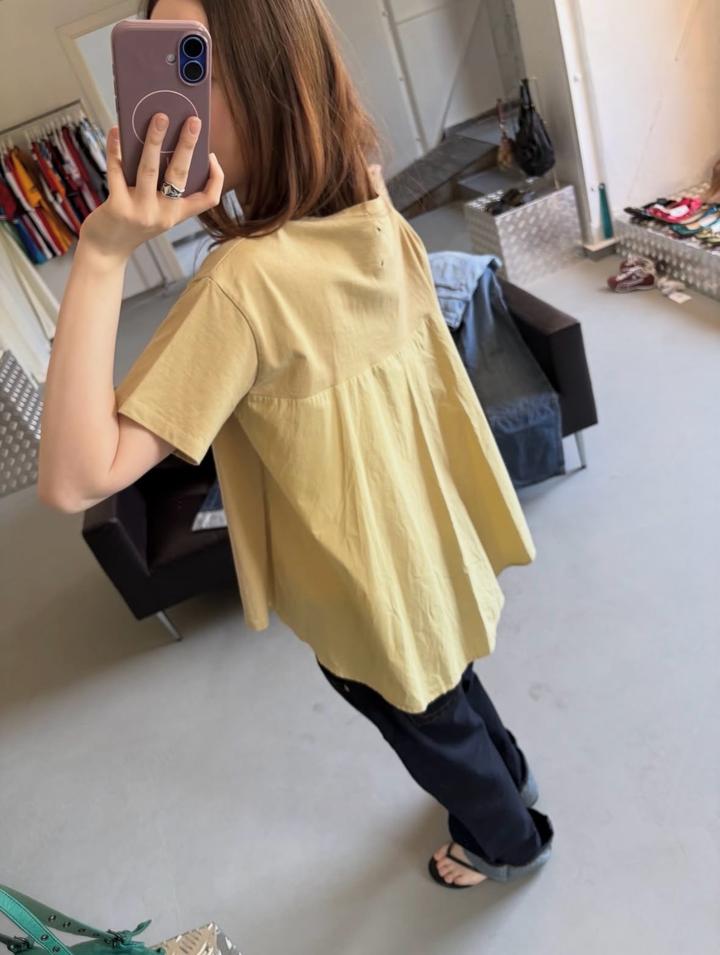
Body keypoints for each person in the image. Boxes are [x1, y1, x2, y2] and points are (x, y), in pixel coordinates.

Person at [38, 0, 554, 888]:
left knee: (422, 719)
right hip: (428, 539)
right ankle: (511, 774)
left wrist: (101, 253)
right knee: (448, 681)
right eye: (163, 61)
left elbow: (75, 476)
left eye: (194, 65)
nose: (168, 105)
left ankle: (508, 840)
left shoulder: (239, 289)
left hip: (356, 588)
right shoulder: (372, 202)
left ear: (270, 74)